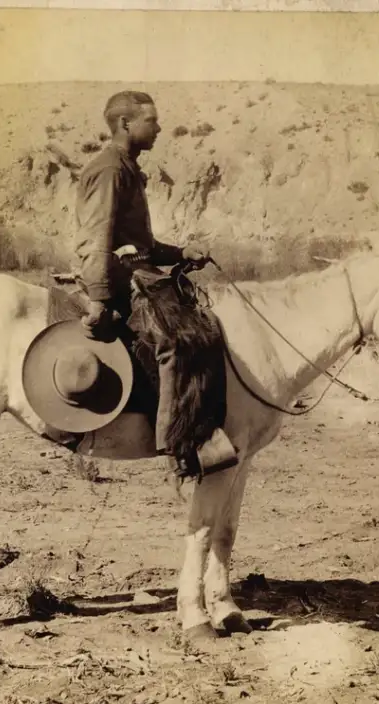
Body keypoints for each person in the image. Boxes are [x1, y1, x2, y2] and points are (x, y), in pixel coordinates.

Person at [72, 90, 238, 479]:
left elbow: (142, 246)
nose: (159, 126)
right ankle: (176, 445)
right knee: (176, 342)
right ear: (126, 124)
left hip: (135, 271)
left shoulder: (127, 167)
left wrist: (182, 253)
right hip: (117, 277)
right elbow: (97, 238)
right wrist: (98, 298)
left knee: (203, 327)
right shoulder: (111, 169)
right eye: (152, 120)